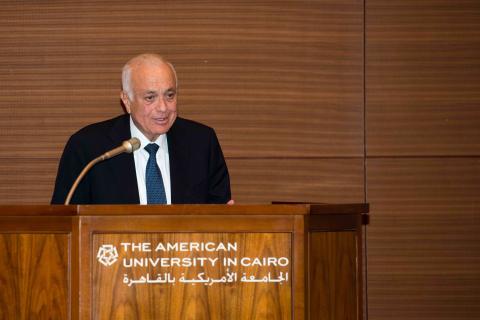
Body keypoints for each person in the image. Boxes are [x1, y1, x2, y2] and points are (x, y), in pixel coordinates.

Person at [51, 53, 232, 205]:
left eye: (170, 95)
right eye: (150, 98)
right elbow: (64, 222)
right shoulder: (89, 148)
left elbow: (218, 216)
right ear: (127, 101)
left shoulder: (201, 143)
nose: (163, 107)